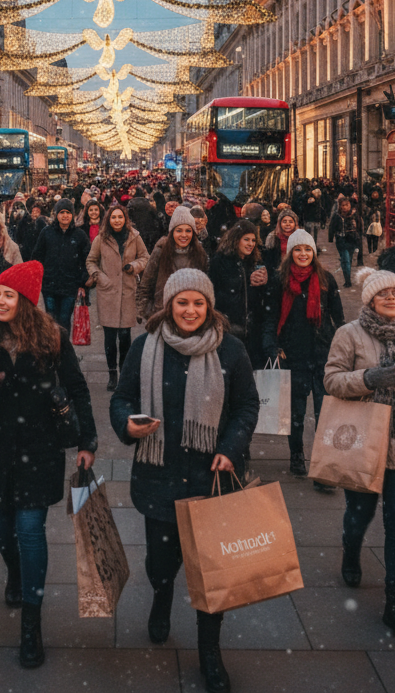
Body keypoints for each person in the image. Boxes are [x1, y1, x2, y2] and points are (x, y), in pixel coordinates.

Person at [110, 269, 258, 693]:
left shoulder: (230, 351)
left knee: (211, 574)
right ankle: (160, 595)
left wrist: (230, 447)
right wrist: (127, 424)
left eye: (198, 303)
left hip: (212, 480)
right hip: (158, 476)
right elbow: (121, 399)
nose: (190, 310)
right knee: (161, 563)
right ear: (169, 306)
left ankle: (209, 652)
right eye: (182, 302)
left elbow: (247, 406)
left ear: (209, 307)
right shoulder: (145, 348)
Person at [0, 261, 97, 669]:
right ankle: (14, 571)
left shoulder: (52, 339)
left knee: (30, 529)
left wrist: (88, 440)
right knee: (0, 527)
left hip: (39, 449)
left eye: (8, 295)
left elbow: (79, 388)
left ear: (27, 301)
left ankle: (31, 623)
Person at [324, 270, 395, 645]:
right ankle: (352, 549)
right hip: (363, 440)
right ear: (370, 300)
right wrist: (369, 378)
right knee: (359, 514)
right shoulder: (349, 334)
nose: (392, 298)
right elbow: (331, 380)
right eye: (383, 294)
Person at [262, 229, 344, 489]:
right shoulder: (279, 281)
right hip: (292, 353)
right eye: (298, 249)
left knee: (324, 413)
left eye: (307, 249)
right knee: (296, 413)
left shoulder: (326, 280)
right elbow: (270, 317)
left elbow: (339, 319)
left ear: (314, 253)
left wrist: (342, 347)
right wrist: (272, 346)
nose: (303, 254)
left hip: (323, 354)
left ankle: (322, 464)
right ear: (290, 253)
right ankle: (296, 454)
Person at [86, 203, 149, 391]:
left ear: (125, 219)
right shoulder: (101, 238)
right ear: (109, 219)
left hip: (127, 292)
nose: (117, 220)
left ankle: (125, 373)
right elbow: (91, 261)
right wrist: (99, 276)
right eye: (113, 217)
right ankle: (112, 373)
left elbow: (146, 257)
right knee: (109, 337)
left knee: (125, 337)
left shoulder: (134, 237)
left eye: (120, 217)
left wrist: (135, 266)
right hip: (108, 292)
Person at [207, 219, 270, 364]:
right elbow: (214, 294)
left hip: (252, 332)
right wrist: (245, 282)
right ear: (236, 240)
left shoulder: (253, 262)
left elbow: (259, 298)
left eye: (253, 240)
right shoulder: (220, 261)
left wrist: (264, 283)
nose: (250, 244)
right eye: (246, 239)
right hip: (229, 328)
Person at [136, 206, 210, 321]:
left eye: (188, 230)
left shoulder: (199, 254)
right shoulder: (161, 251)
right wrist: (147, 312)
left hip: (190, 317)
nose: (184, 235)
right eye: (179, 230)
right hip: (163, 315)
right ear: (172, 232)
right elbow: (146, 284)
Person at [29, 198, 91, 332]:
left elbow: (87, 260)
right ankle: (52, 350)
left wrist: (82, 282)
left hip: (70, 285)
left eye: (68, 213)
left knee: (64, 320)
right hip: (49, 285)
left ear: (72, 215)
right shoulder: (47, 232)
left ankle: (63, 350)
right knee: (50, 320)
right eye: (62, 212)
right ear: (56, 214)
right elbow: (37, 256)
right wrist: (40, 277)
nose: (65, 216)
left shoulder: (79, 235)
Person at [328, 198, 362, 288]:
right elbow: (332, 227)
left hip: (351, 239)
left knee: (349, 259)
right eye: (343, 205)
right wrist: (330, 238)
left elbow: (360, 226)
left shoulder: (353, 215)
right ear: (340, 206)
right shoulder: (337, 216)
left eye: (347, 205)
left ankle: (347, 276)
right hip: (341, 240)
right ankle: (348, 280)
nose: (345, 207)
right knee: (345, 259)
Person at [261, 207, 299, 276]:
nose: (288, 224)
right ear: (280, 223)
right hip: (278, 273)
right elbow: (269, 260)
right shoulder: (273, 237)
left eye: (291, 222)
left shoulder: (300, 237)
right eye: (284, 221)